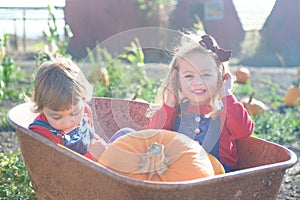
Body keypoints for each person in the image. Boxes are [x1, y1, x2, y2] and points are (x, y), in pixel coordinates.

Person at [147, 33, 254, 172]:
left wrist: (226, 94)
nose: (197, 82)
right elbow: (152, 137)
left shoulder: (224, 110)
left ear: (219, 78)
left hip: (216, 176)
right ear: (177, 80)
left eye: (206, 75)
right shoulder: (176, 111)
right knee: (126, 135)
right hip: (179, 174)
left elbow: (244, 131)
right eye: (189, 76)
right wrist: (170, 102)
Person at [28, 58, 106, 161]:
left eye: (75, 113)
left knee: (125, 133)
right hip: (80, 172)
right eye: (57, 117)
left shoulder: (85, 111)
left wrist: (104, 148)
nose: (67, 123)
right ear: (41, 108)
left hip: (99, 161)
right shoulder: (42, 133)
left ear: (84, 100)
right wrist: (95, 156)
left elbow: (91, 138)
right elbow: (62, 166)